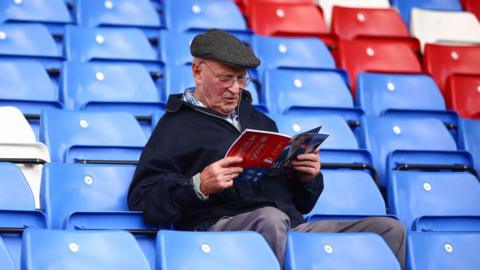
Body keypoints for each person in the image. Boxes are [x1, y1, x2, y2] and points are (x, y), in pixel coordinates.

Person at [128, 29, 406, 269]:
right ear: (198, 71)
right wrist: (199, 184)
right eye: (226, 78)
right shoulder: (174, 126)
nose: (235, 89)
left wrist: (307, 178)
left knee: (390, 230)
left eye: (242, 79)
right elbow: (143, 198)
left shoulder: (261, 121)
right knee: (271, 220)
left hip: (287, 224)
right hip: (217, 228)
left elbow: (301, 204)